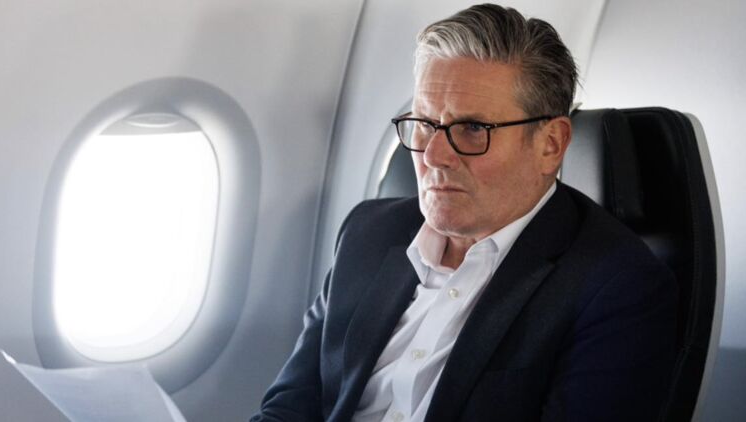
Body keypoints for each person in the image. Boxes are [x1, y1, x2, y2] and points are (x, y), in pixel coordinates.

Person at [251, 4, 677, 421]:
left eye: (473, 128)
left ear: (550, 144)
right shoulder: (368, 233)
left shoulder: (617, 286)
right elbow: (288, 409)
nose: (433, 155)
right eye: (425, 124)